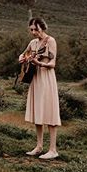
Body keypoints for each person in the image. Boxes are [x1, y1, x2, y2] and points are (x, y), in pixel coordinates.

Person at [19, 17, 60, 160]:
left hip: (47, 79)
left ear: (42, 28)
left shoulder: (51, 41)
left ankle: (53, 149)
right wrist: (22, 58)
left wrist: (39, 63)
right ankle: (39, 146)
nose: (33, 32)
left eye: (35, 29)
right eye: (31, 30)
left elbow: (53, 63)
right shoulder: (33, 43)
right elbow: (23, 54)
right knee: (38, 112)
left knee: (50, 112)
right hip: (35, 79)